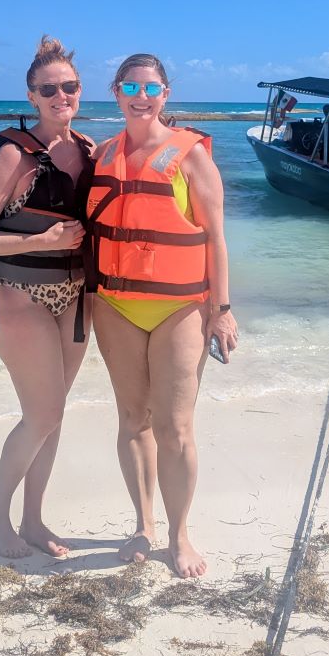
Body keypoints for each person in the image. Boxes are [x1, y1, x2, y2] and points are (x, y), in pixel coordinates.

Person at [86, 53, 238, 578]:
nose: (141, 96)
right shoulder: (102, 154)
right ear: (116, 92)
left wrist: (222, 311)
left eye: (150, 87)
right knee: (133, 419)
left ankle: (179, 536)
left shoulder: (192, 156)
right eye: (130, 86)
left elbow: (217, 240)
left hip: (179, 308)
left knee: (174, 427)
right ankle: (142, 525)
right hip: (115, 306)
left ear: (166, 94)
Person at [0, 36, 94, 559]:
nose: (61, 95)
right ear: (32, 95)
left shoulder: (88, 151)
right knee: (41, 412)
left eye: (70, 86)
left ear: (80, 91)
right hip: (19, 291)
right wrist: (40, 241)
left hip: (76, 294)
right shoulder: (15, 154)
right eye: (49, 89)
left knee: (55, 412)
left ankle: (35, 521)